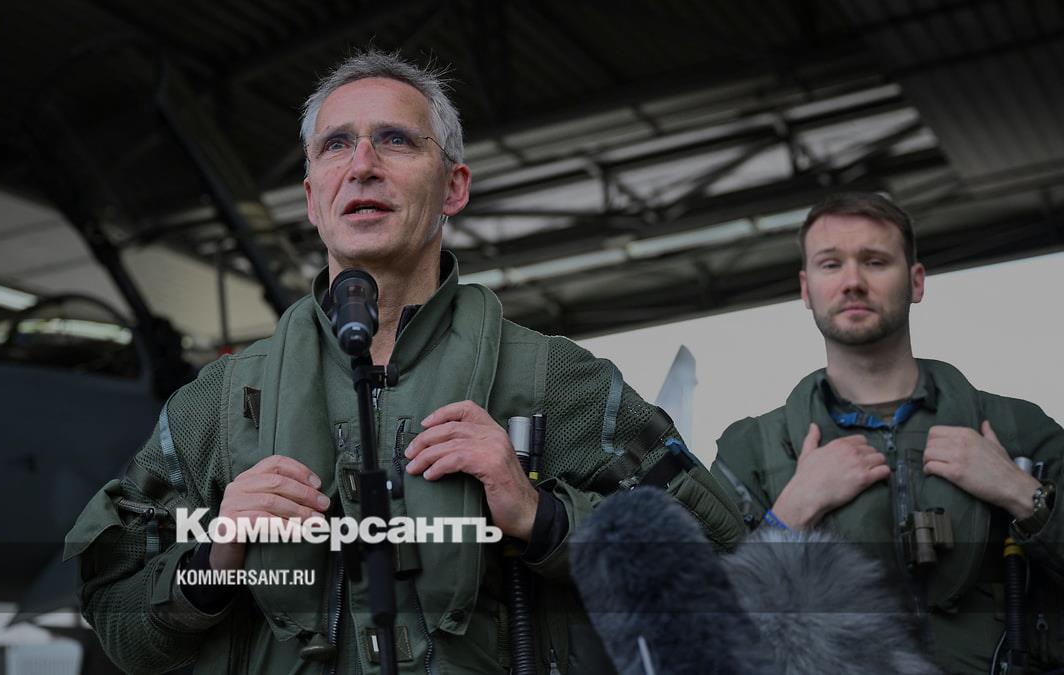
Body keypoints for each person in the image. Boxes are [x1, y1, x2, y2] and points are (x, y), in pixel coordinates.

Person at [66, 50, 744, 674]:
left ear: (454, 187)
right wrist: (214, 556)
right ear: (312, 197)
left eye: (396, 140)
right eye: (336, 145)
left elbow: (725, 560)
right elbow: (114, 610)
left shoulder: (555, 382)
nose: (362, 165)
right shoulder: (218, 404)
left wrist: (543, 517)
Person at [712, 192, 1063, 674]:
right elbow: (694, 626)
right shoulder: (754, 450)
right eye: (831, 264)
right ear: (806, 289)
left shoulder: (1016, 429)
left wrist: (1023, 495)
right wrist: (790, 515)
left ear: (916, 282)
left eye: (875, 261)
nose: (853, 282)